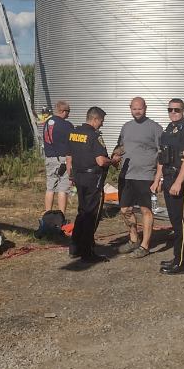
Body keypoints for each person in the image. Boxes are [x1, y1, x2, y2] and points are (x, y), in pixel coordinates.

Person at [67, 106, 119, 263]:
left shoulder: (74, 133)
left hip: (78, 176)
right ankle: (87, 251)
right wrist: (113, 161)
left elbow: (69, 156)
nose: (102, 124)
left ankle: (75, 247)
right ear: (95, 119)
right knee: (91, 214)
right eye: (101, 121)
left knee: (82, 211)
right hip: (92, 179)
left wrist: (71, 175)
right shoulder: (94, 136)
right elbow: (101, 160)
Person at [152, 99, 184, 275]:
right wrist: (157, 180)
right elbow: (162, 158)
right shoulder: (168, 131)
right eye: (170, 110)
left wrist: (179, 182)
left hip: (181, 181)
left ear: (183, 110)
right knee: (174, 222)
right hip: (168, 178)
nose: (173, 112)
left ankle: (183, 264)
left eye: (176, 110)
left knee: (181, 223)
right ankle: (177, 257)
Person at [113, 98, 163, 257]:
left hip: (146, 175)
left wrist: (158, 178)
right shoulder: (126, 127)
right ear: (130, 109)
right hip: (127, 175)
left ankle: (145, 246)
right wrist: (115, 155)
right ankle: (134, 239)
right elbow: (120, 147)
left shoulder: (155, 128)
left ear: (145, 108)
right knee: (124, 209)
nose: (137, 111)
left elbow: (163, 154)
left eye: (140, 109)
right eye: (134, 109)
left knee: (146, 210)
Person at [42, 100, 73, 213]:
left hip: (49, 158)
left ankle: (47, 213)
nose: (69, 114)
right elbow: (71, 144)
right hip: (62, 160)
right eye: (68, 111)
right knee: (62, 189)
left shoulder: (47, 123)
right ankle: (61, 215)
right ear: (63, 111)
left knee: (50, 188)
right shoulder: (66, 125)